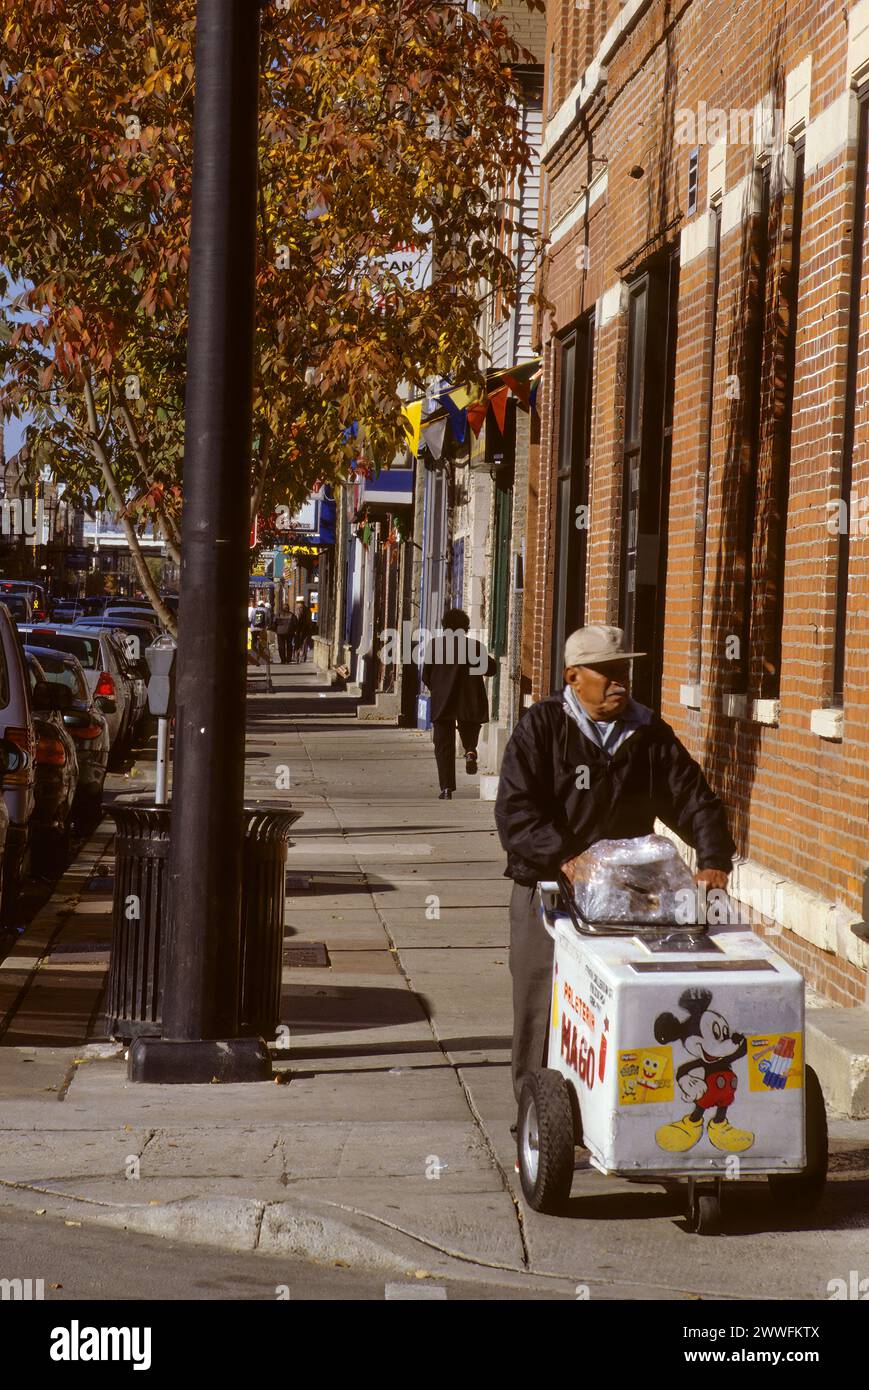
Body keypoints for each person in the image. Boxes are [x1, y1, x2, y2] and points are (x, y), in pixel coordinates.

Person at [494, 624, 735, 1104]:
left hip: (630, 899)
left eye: (624, 670)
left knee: (626, 1009)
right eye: (606, 672)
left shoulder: (647, 733)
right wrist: (567, 856)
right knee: (541, 1010)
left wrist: (712, 860)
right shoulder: (542, 727)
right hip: (550, 894)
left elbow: (693, 800)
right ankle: (534, 1124)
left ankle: (621, 1114)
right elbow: (516, 813)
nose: (619, 682)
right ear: (574, 676)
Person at [422, 608, 497, 799]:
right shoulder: (475, 647)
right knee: (469, 728)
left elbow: (426, 676)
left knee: (443, 744)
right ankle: (470, 750)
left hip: (443, 701)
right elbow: (491, 670)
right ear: (465, 627)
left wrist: (439, 688)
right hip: (469, 700)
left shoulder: (435, 646)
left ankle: (446, 788)